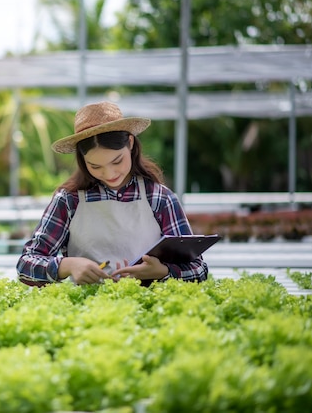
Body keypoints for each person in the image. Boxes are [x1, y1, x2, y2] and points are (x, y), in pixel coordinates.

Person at [16, 101, 208, 286]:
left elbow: (198, 270)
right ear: (83, 160)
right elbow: (25, 265)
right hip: (86, 314)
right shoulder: (69, 201)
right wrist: (66, 266)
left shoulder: (159, 198)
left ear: (130, 143)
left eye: (117, 161)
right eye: (95, 166)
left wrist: (163, 272)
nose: (109, 174)